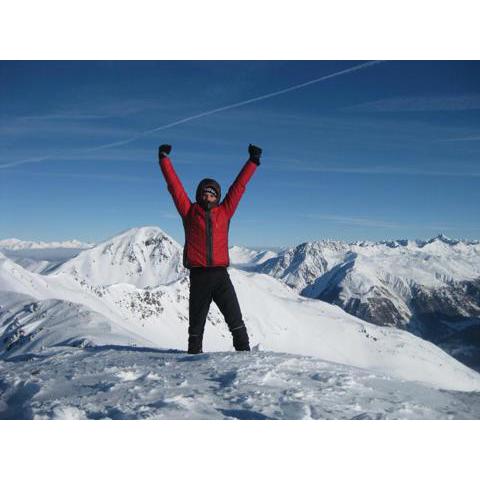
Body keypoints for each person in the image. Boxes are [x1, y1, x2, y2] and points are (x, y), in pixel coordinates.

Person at [158, 143, 262, 354]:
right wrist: (164, 159)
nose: (208, 197)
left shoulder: (225, 211)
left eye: (212, 194)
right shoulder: (189, 212)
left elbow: (238, 187)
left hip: (221, 276)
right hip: (199, 277)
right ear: (199, 195)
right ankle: (193, 361)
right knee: (196, 327)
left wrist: (252, 162)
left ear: (217, 197)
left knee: (235, 321)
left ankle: (246, 357)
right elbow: (175, 187)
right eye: (205, 194)